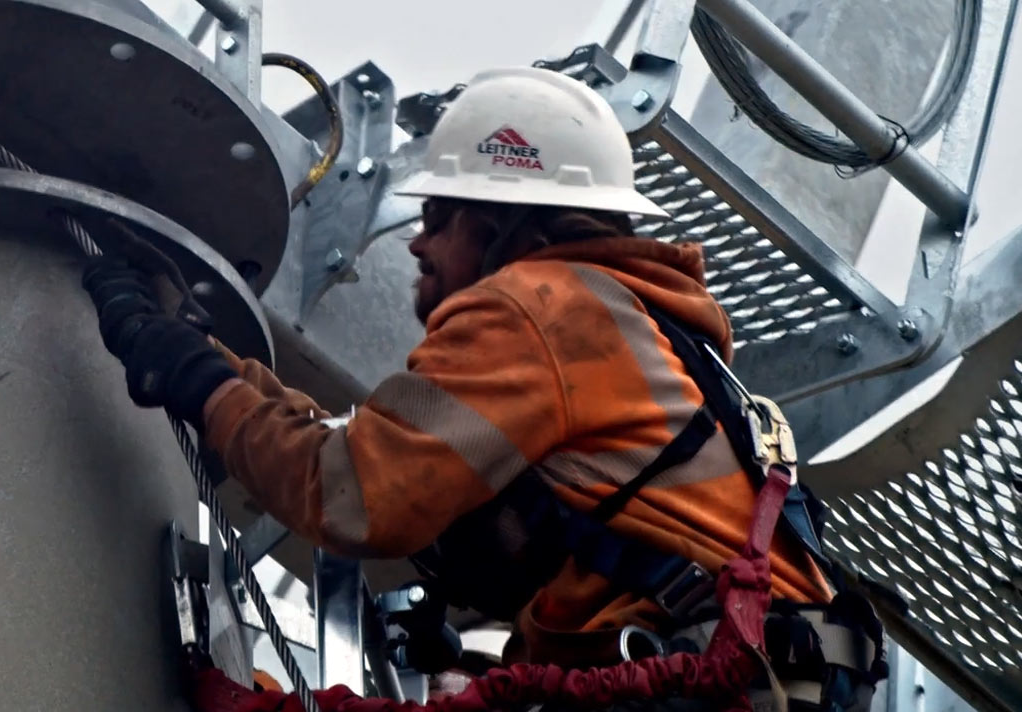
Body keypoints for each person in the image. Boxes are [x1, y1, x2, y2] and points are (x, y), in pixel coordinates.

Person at [84, 66, 882, 709]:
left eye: (440, 215)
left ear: (508, 225)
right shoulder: (632, 340)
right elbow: (366, 454)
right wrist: (212, 357)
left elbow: (353, 492)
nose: (419, 246)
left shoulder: (540, 305)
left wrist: (195, 379)